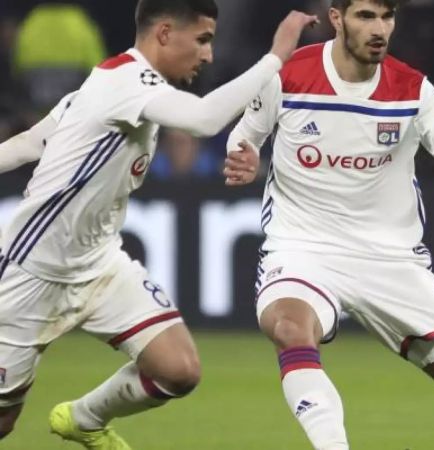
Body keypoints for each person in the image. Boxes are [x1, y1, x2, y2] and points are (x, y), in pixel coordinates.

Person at [0, 0, 318, 448]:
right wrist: (275, 56)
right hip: (29, 272)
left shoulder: (114, 82)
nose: (208, 54)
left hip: (98, 264)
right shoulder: (127, 82)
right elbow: (204, 119)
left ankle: (85, 420)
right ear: (165, 33)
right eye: (203, 40)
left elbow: (34, 141)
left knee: (178, 370)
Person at [224, 1, 434, 449]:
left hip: (389, 257)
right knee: (291, 329)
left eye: (386, 17)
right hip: (303, 247)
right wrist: (244, 157)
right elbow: (245, 135)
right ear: (337, 18)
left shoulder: (412, 88)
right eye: (366, 16)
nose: (379, 29)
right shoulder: (289, 74)